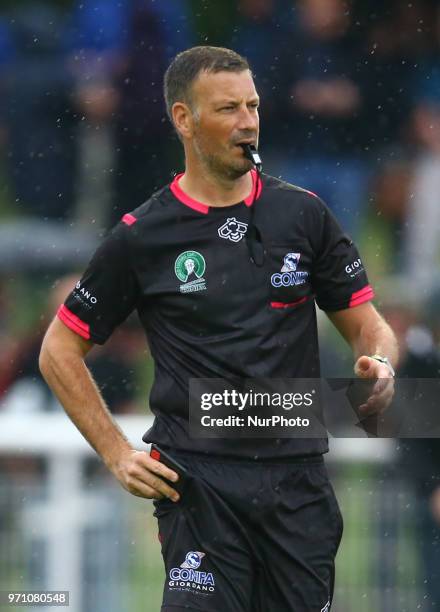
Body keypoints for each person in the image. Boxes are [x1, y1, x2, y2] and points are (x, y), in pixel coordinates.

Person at [39, 46, 398, 612]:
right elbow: (59, 349)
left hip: (295, 483)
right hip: (197, 486)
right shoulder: (143, 234)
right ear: (184, 119)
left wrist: (379, 363)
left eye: (253, 105)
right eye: (228, 108)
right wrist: (114, 452)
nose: (248, 121)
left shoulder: (302, 215)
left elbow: (368, 325)